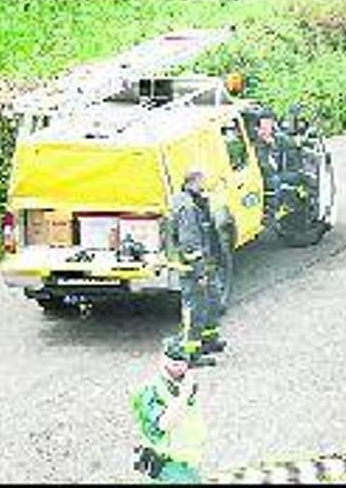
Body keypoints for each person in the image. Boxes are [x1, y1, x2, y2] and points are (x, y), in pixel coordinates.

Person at [169, 168, 227, 360]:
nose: (205, 184)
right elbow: (190, 244)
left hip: (206, 263)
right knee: (195, 309)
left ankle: (208, 340)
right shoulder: (187, 207)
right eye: (202, 180)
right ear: (193, 181)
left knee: (212, 300)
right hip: (194, 268)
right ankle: (189, 353)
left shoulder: (195, 201)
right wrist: (199, 272)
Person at [132, 337, 207, 483]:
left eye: (183, 364)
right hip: (166, 467)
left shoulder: (180, 386)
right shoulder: (150, 391)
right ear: (162, 360)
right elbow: (164, 424)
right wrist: (185, 393)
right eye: (174, 363)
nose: (179, 369)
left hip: (186, 465)